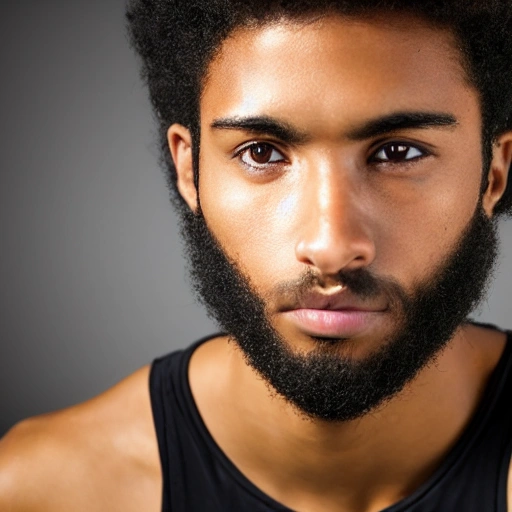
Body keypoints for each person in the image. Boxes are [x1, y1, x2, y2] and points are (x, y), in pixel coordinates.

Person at [1, 0, 512, 510]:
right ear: (189, 168)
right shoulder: (41, 491)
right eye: (262, 152)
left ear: (494, 173)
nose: (329, 248)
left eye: (398, 153)